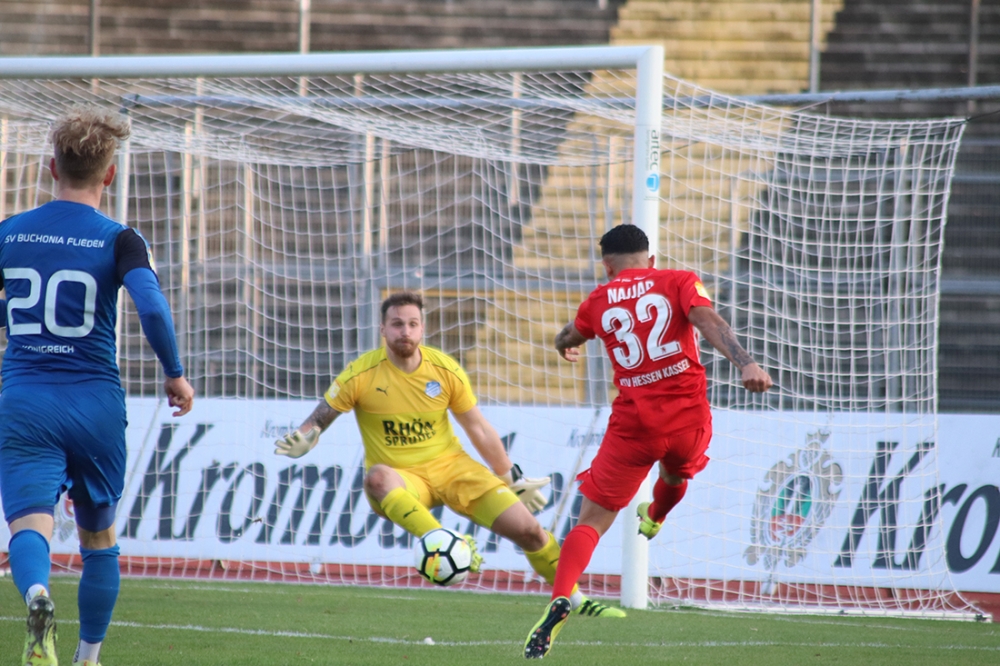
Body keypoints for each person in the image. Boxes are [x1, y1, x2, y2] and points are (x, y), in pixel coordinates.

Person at [275, 291, 626, 619]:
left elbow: (478, 428)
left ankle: (575, 600)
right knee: (377, 477)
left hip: (452, 469)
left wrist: (511, 477)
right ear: (382, 329)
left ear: (422, 329)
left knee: (531, 531)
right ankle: (446, 542)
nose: (405, 331)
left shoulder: (444, 370)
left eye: (412, 324)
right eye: (397, 324)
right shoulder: (361, 374)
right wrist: (307, 437)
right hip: (402, 478)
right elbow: (318, 419)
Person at [0, 105, 195, 666]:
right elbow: (152, 308)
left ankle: (38, 595)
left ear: (50, 167)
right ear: (109, 174)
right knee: (99, 539)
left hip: (27, 400)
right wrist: (174, 372)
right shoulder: (120, 239)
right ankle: (88, 658)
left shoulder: (9, 233)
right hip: (96, 404)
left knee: (29, 525)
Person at [523, 224, 773, 659]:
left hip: (633, 427)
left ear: (607, 266)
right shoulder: (678, 280)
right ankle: (655, 516)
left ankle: (561, 596)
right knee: (676, 475)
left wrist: (563, 344)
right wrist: (746, 363)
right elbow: (707, 320)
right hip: (687, 420)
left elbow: (570, 334)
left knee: (591, 521)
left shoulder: (598, 301)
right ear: (650, 259)